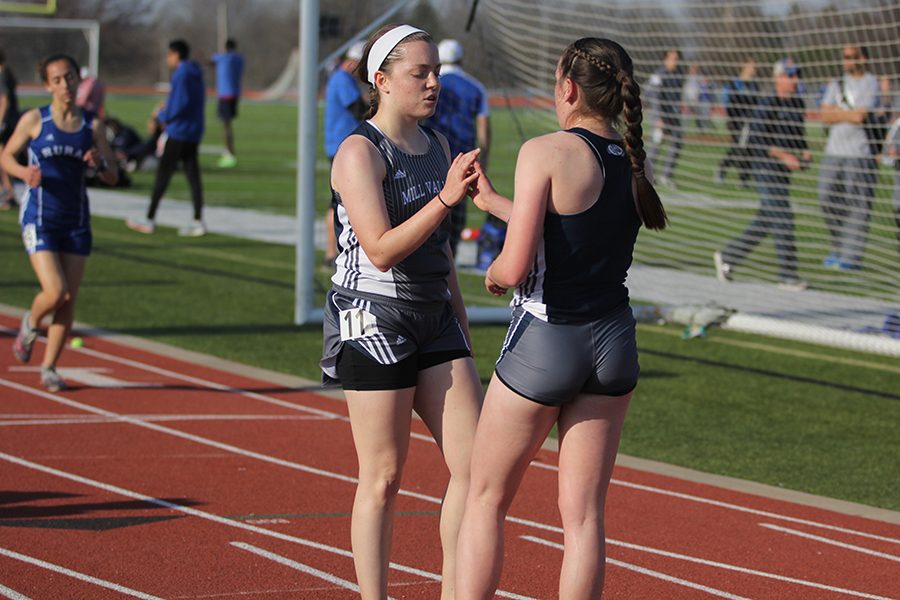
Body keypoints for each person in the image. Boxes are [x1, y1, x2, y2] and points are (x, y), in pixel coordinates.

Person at [455, 37, 667, 598]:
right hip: (613, 343)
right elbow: (570, 228)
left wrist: (496, 276)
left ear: (568, 89)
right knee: (584, 519)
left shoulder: (545, 150)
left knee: (485, 497)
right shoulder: (631, 158)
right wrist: (496, 203)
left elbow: (516, 263)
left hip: (549, 337)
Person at [319, 24, 483, 599]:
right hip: (374, 319)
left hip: (434, 315)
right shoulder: (359, 151)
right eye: (421, 73)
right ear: (382, 81)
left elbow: (439, 253)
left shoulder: (437, 146)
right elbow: (382, 250)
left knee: (476, 469)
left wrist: (460, 327)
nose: (435, 82)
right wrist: (444, 200)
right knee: (384, 477)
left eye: (436, 70)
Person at [1, 54, 117, 391]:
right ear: (47, 85)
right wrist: (24, 172)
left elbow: (112, 174)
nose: (65, 85)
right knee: (56, 291)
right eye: (57, 80)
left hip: (76, 218)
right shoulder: (35, 121)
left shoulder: (92, 126)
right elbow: (5, 156)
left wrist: (100, 164)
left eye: (69, 78)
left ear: (78, 80)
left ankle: (49, 366)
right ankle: (30, 321)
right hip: (40, 216)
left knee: (69, 299)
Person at [713, 58, 810, 292]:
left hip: (783, 171)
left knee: (767, 219)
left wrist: (804, 151)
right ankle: (787, 275)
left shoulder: (797, 104)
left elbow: (798, 135)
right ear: (778, 78)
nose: (795, 79)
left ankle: (728, 256)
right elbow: (756, 139)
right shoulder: (768, 103)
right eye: (790, 75)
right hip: (765, 168)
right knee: (783, 218)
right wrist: (784, 155)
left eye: (796, 74)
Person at [126, 39, 206, 237]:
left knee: (163, 176)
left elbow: (179, 104)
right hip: (194, 131)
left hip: (178, 132)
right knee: (193, 176)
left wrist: (160, 117)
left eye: (168, 55)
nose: (167, 59)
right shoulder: (196, 73)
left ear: (175, 54)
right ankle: (198, 220)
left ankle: (149, 219)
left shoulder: (182, 73)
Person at [424, 38, 492, 257]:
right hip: (462, 157)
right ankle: (450, 255)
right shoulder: (476, 87)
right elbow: (484, 128)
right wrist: (483, 156)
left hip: (430, 152)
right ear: (462, 58)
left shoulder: (431, 82)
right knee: (457, 211)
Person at [818, 45, 879, 271]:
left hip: (858, 152)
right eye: (844, 57)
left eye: (851, 57)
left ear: (862, 58)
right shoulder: (837, 82)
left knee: (857, 204)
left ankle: (851, 256)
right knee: (826, 199)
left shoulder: (871, 82)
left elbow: (861, 115)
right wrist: (845, 114)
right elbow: (824, 114)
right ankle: (838, 247)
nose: (847, 61)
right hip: (834, 151)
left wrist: (838, 112)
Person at [322, 40, 366, 266]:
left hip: (340, 144)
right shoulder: (342, 79)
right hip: (341, 145)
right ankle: (331, 252)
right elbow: (357, 109)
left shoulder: (342, 78)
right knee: (339, 204)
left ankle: (333, 252)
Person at [716, 57, 760, 187]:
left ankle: (743, 178)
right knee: (738, 148)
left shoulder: (754, 86)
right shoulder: (735, 84)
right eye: (752, 66)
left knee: (747, 149)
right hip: (736, 122)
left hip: (749, 122)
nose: (754, 69)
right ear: (744, 66)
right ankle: (722, 170)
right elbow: (727, 103)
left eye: (755, 67)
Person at [646, 48, 684, 188]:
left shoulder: (678, 75)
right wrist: (659, 117)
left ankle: (666, 175)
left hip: (673, 117)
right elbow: (653, 97)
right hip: (660, 117)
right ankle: (647, 174)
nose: (675, 61)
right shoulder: (659, 75)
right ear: (666, 59)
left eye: (677, 58)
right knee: (656, 145)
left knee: (677, 142)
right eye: (673, 58)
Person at [210, 38, 244, 168]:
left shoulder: (224, 58)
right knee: (227, 124)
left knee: (226, 125)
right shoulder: (239, 59)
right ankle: (229, 151)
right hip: (235, 94)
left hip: (225, 95)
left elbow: (211, 61)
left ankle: (229, 153)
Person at [0, 48, 21, 209]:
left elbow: (4, 100)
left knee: (4, 157)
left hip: (6, 122)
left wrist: (0, 121)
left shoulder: (2, 74)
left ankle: (9, 193)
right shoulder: (7, 72)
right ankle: (7, 191)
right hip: (10, 120)